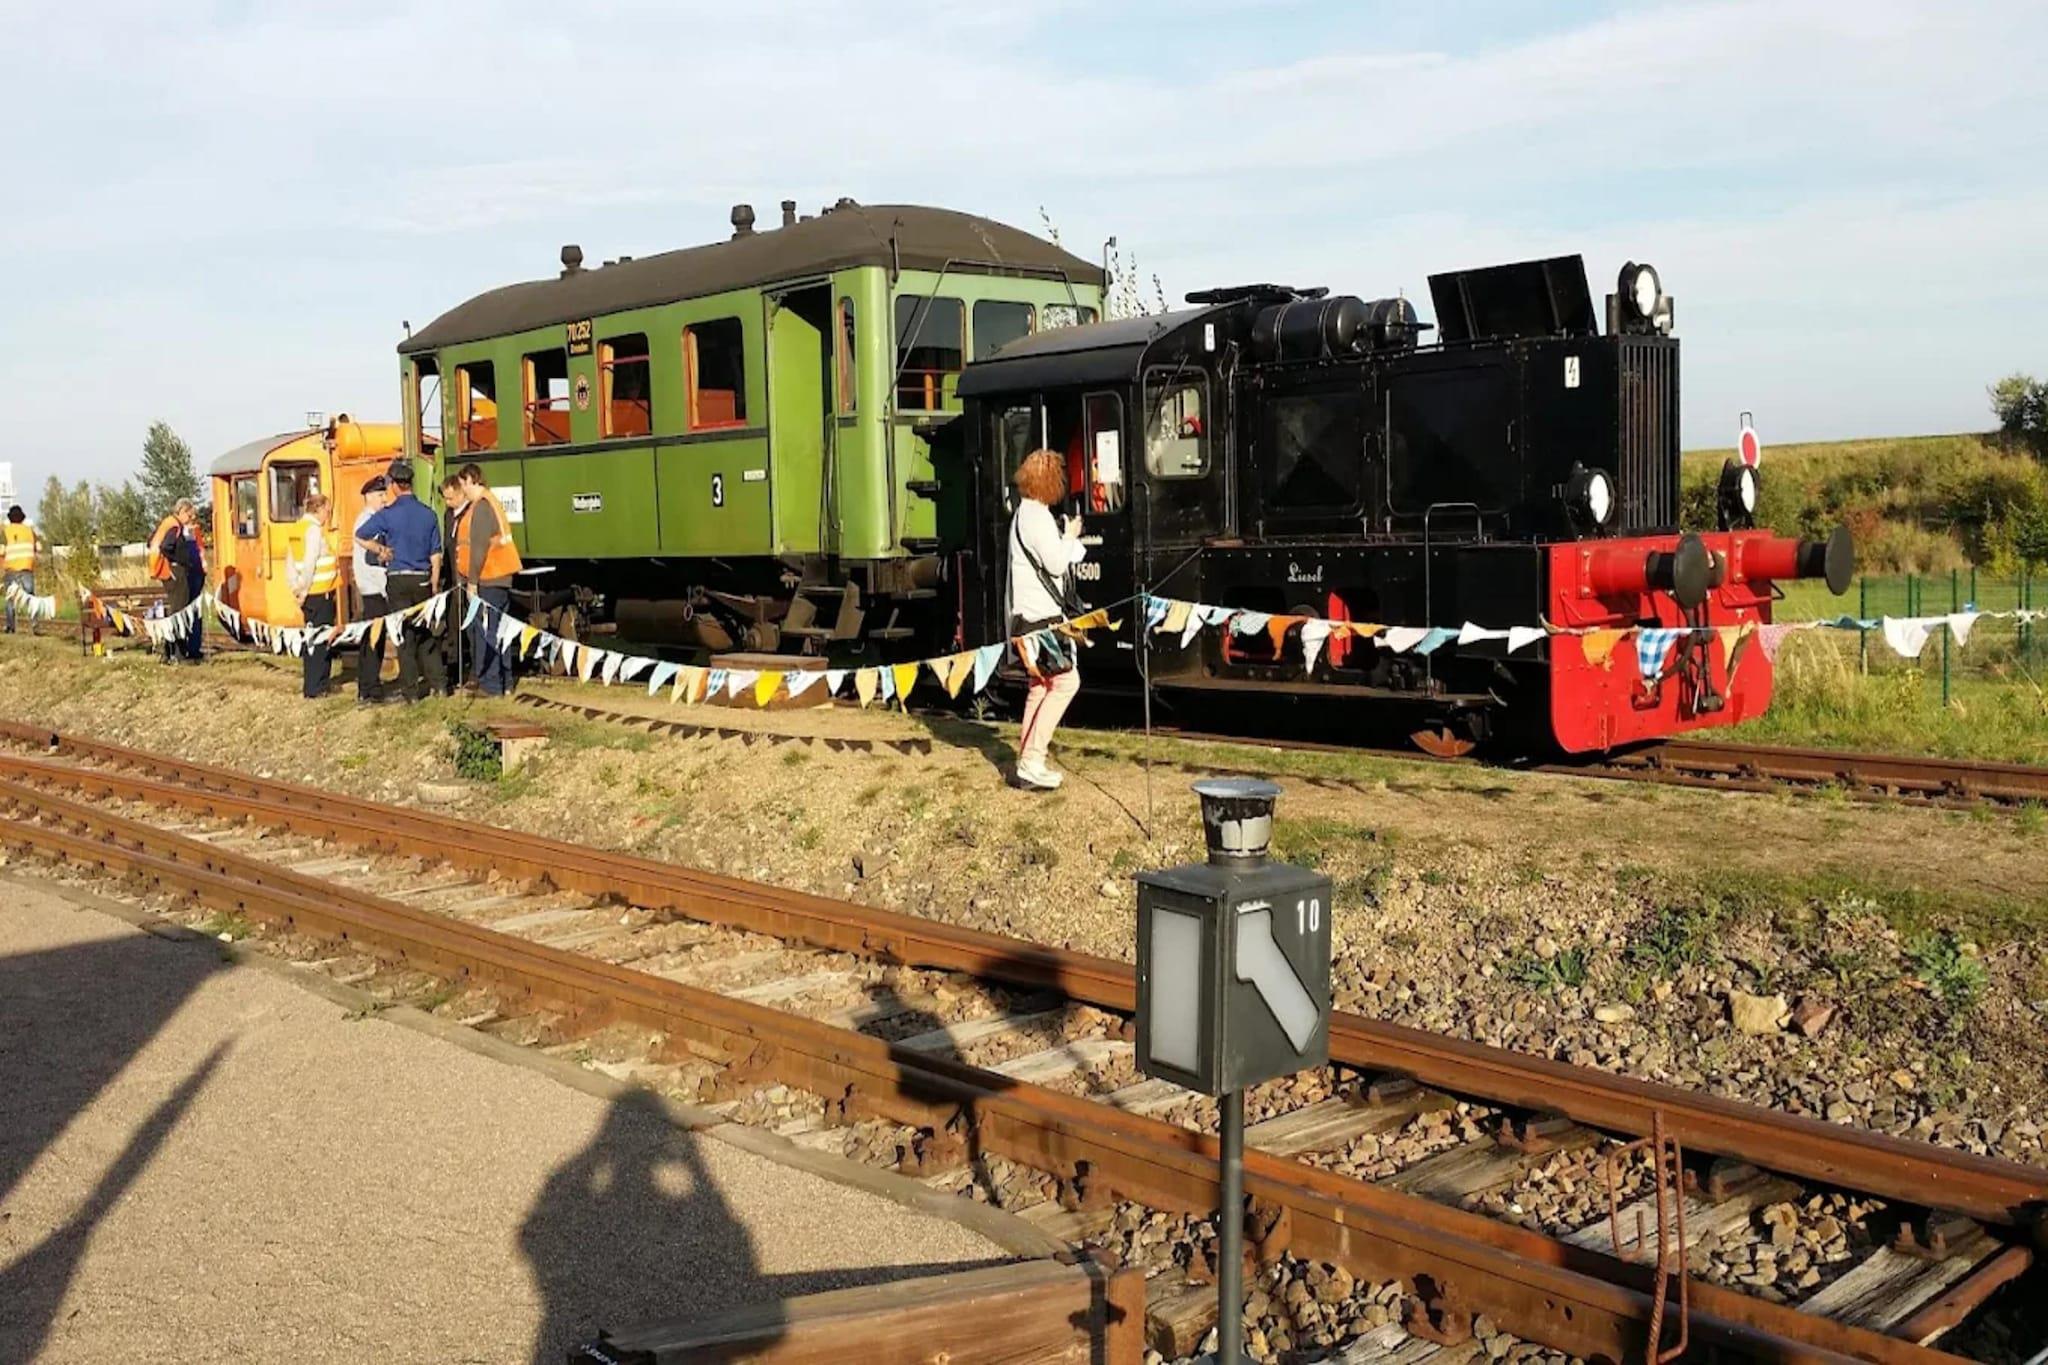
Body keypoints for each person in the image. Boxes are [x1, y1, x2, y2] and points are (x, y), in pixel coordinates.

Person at [1006, 448, 1087, 790]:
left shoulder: (1021, 515)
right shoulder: (1038, 517)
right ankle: (1032, 760)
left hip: (1026, 617)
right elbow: (1055, 564)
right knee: (1067, 683)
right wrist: (1070, 536)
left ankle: (1027, 760)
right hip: (1043, 619)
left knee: (1041, 686)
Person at [354, 461, 444, 702]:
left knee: (404, 636)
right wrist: (434, 582)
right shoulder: (428, 514)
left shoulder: (387, 515)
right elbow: (436, 553)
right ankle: (439, 685)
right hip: (422, 578)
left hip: (397, 580)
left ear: (394, 485)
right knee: (425, 632)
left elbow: (360, 536)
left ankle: (411, 692)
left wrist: (380, 549)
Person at [453, 462, 523, 697]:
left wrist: (472, 582)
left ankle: (491, 685)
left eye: (463, 484)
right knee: (500, 630)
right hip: (499, 577)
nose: (463, 490)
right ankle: (506, 682)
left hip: (488, 578)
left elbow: (479, 548)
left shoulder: (482, 507)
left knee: (487, 632)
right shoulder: (490, 502)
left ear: (471, 480)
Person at [288, 493, 339, 699]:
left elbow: (290, 563)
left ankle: (312, 684)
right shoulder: (313, 531)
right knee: (320, 641)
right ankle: (318, 687)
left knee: (310, 639)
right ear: (317, 509)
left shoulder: (297, 528)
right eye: (327, 510)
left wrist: (295, 588)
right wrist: (304, 590)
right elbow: (309, 564)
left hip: (309, 595)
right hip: (319, 593)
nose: (328, 514)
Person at [147, 499, 206, 664]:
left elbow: (150, 541)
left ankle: (168, 653)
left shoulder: (168, 524)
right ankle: (178, 654)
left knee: (176, 612)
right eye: (190, 514)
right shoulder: (174, 526)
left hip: (170, 572)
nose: (191, 518)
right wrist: (177, 562)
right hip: (174, 573)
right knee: (179, 613)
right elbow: (165, 547)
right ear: (182, 511)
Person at [352, 476, 392, 705]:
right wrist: (385, 553)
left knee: (372, 637)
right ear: (368, 497)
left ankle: (367, 685)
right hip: (374, 586)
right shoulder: (368, 521)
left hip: (374, 586)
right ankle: (370, 688)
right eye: (380, 495)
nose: (384, 499)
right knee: (374, 639)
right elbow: (371, 556)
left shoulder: (369, 519)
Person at [3, 505, 39, 634]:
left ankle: (10, 627)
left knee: (11, 599)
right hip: (26, 568)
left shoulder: (5, 531)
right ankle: (34, 625)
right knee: (30, 598)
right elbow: (38, 548)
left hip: (11, 569)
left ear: (10, 518)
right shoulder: (29, 531)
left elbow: (1, 551)